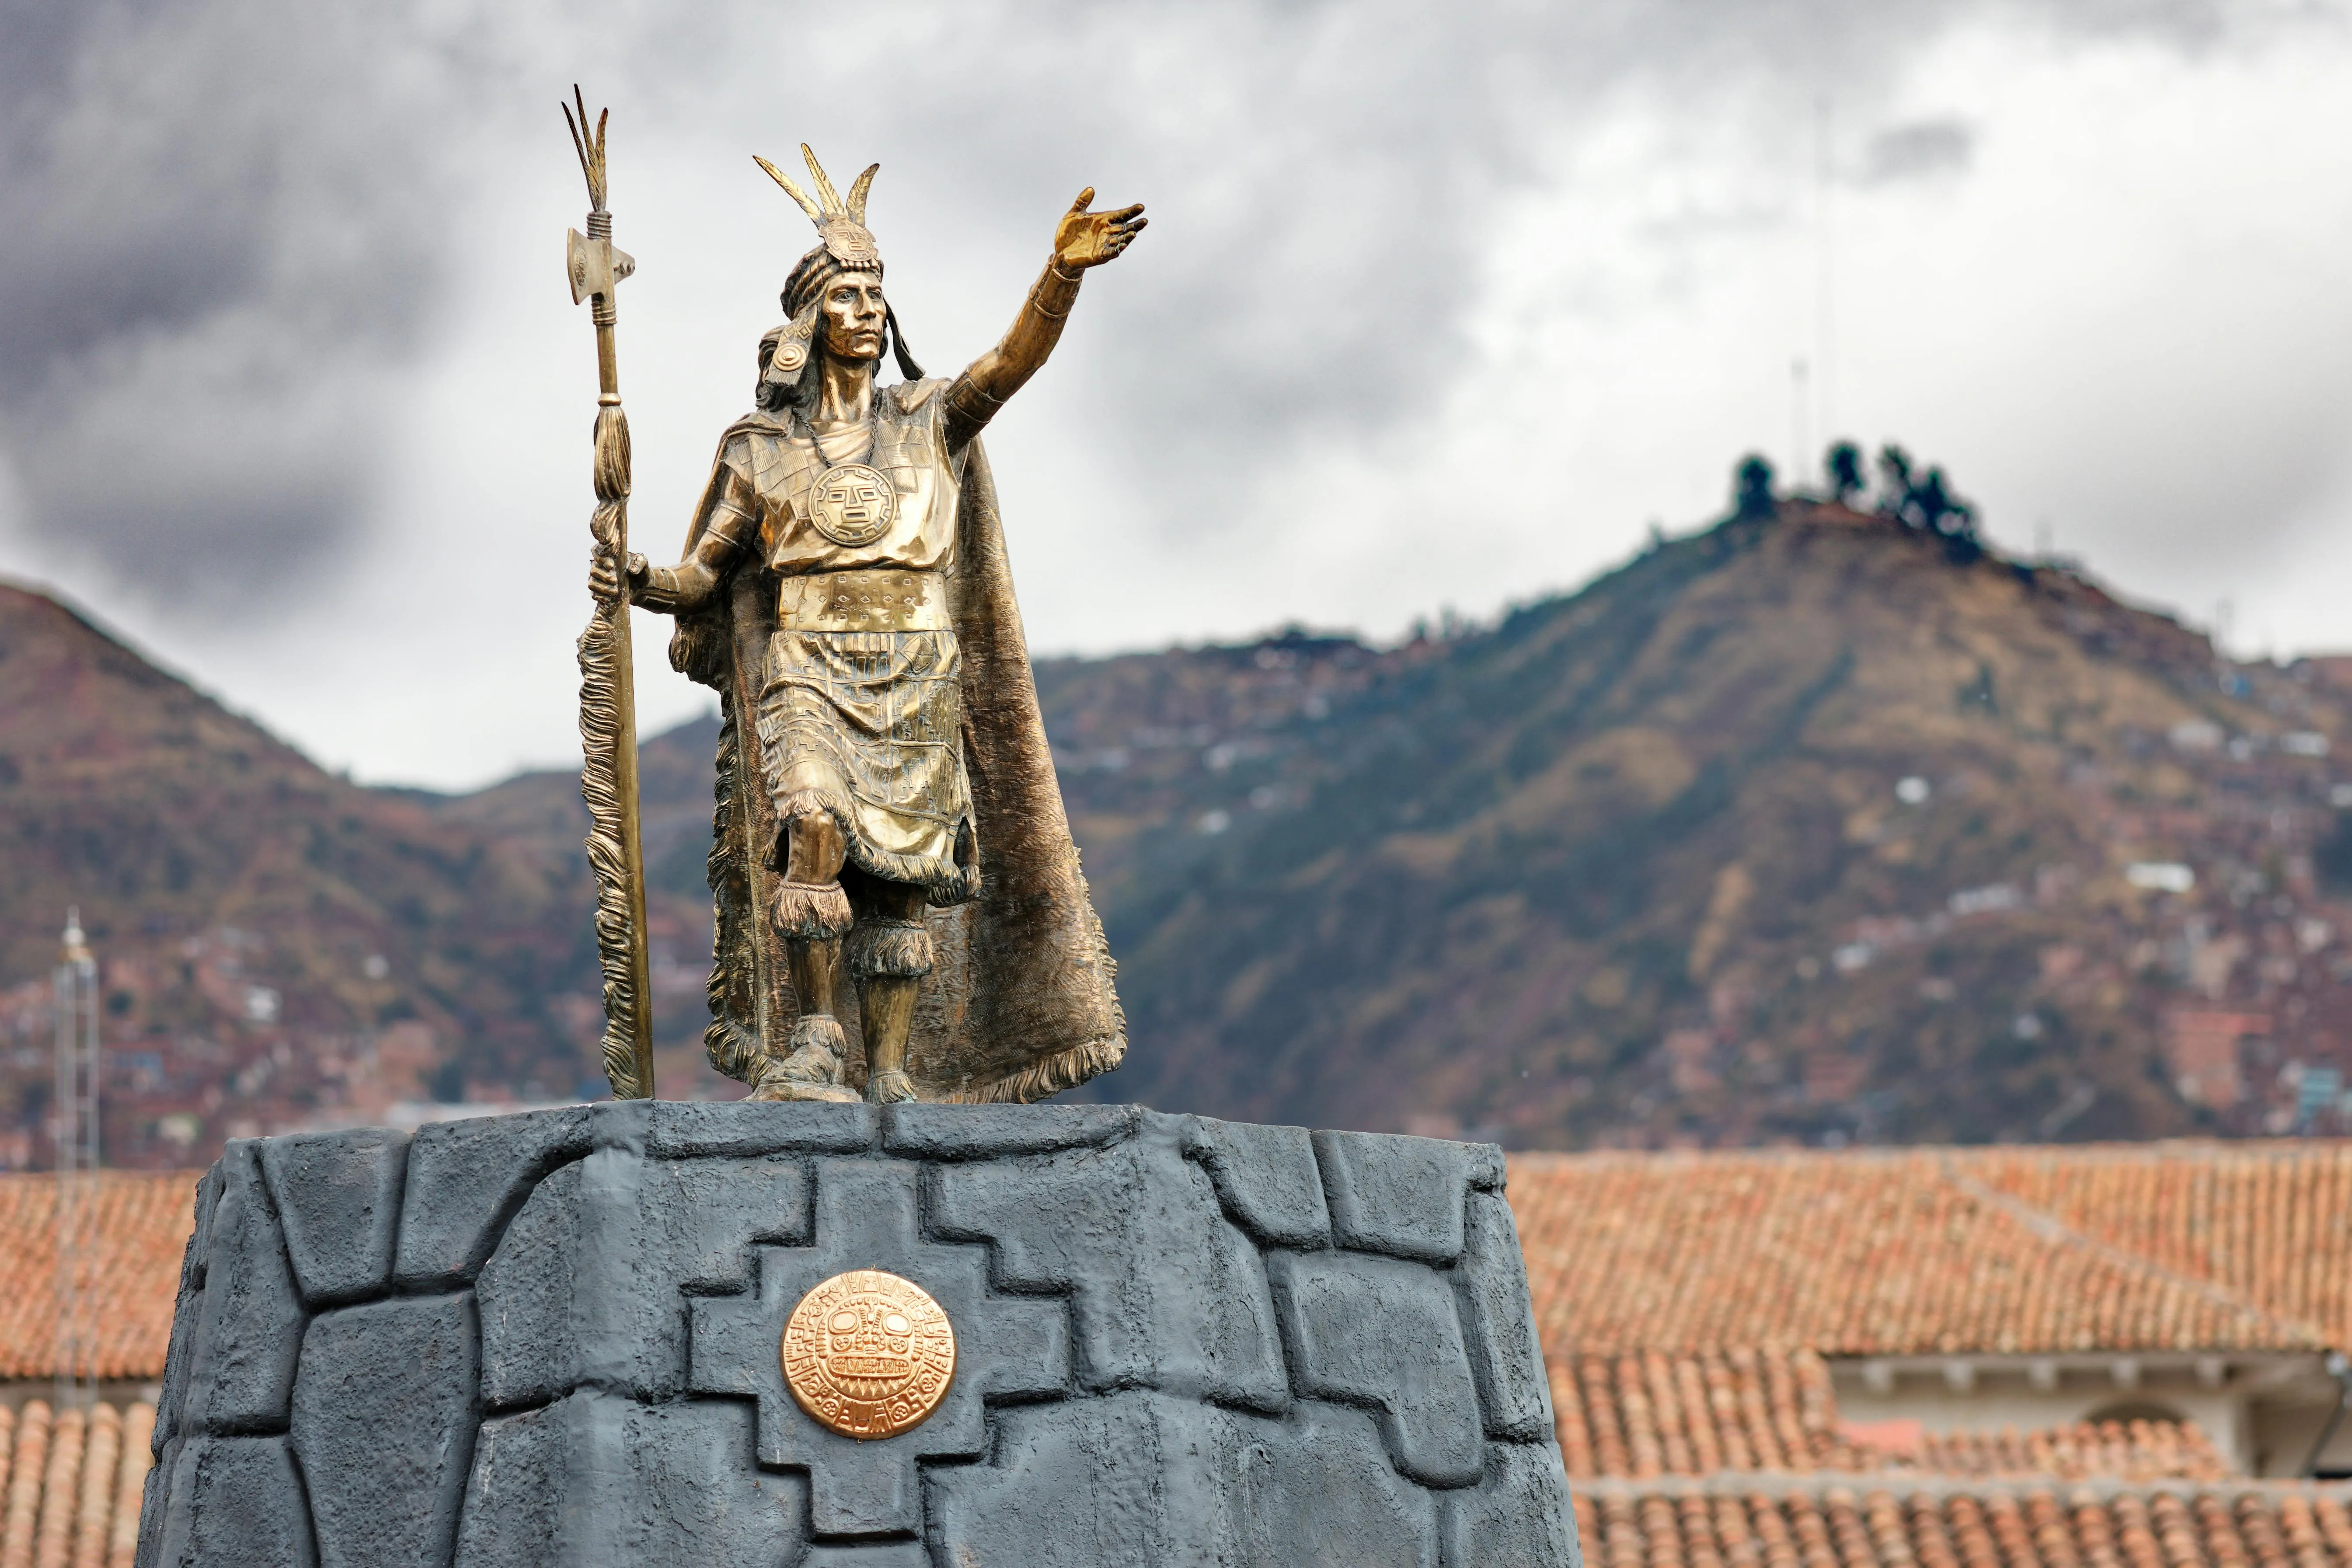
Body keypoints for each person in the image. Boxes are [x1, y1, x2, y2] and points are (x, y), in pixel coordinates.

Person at [595, 146, 1142, 1104]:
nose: (867, 313)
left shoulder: (929, 418)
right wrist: (637, 575)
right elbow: (704, 576)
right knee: (811, 823)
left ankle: (888, 1071)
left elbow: (1009, 365)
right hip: (806, 665)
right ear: (806, 322)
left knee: (899, 881)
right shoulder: (758, 447)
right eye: (846, 297)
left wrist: (1059, 275)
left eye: (877, 297)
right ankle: (813, 1044)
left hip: (918, 667)